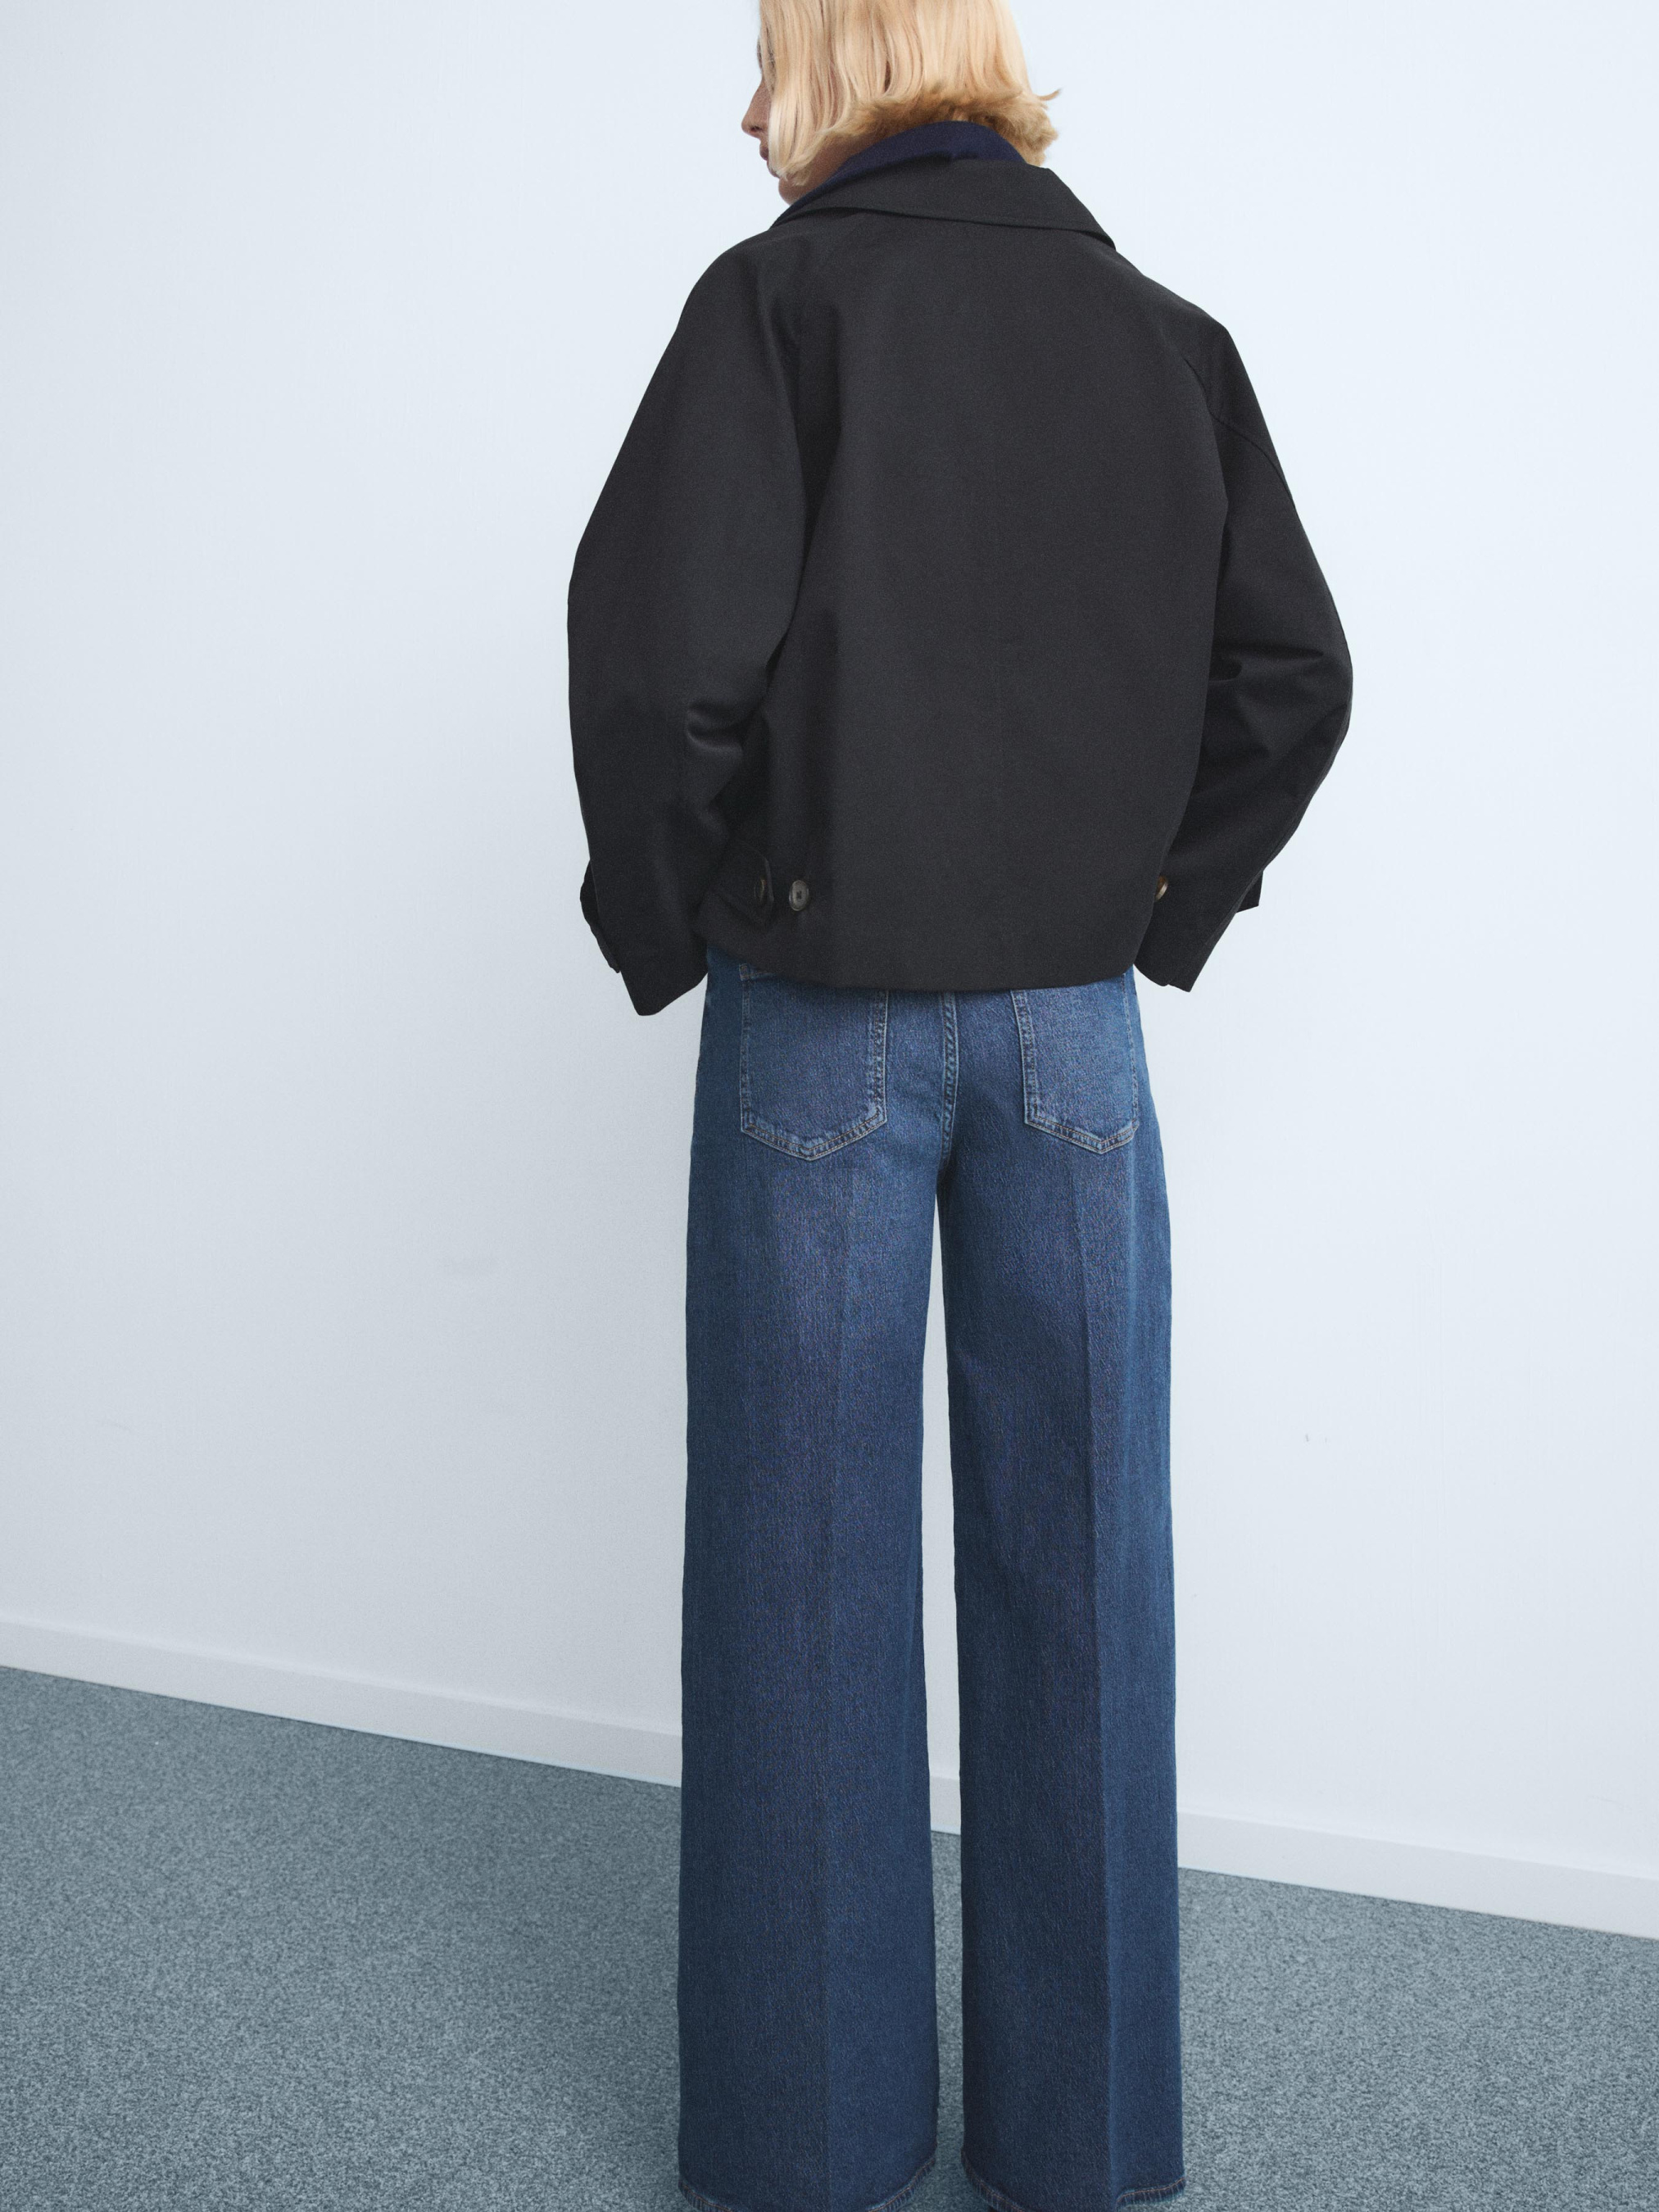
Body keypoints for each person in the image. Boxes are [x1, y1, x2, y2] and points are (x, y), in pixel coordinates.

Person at [568, 2, 1352, 2207]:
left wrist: (678, 920)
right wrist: (1151, 905)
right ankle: (1082, 2143)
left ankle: (809, 2147)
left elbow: (657, 663)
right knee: (1083, 1563)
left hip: (823, 1017)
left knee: (801, 1573)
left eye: (767, 57)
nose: (747, 104)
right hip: (1073, 1044)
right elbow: (1293, 671)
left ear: (847, 64)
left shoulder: (776, 308)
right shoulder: (1163, 336)